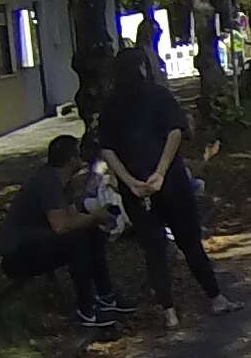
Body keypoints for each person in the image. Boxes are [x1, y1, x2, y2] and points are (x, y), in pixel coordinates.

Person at [97, 44, 231, 329]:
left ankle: (169, 312)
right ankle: (216, 297)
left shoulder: (110, 106)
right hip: (170, 182)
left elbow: (107, 149)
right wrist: (160, 172)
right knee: (189, 240)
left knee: (153, 249)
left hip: (135, 189)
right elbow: (175, 133)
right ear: (143, 67)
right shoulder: (159, 95)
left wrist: (129, 181)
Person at [0, 133, 122, 326]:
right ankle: (87, 310)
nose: (83, 156)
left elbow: (73, 217)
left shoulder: (64, 182)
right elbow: (61, 225)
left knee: (93, 232)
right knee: (76, 242)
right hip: (17, 255)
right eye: (79, 152)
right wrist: (94, 217)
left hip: (38, 244)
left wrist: (97, 219)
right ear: (71, 159)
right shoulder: (48, 182)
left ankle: (107, 297)